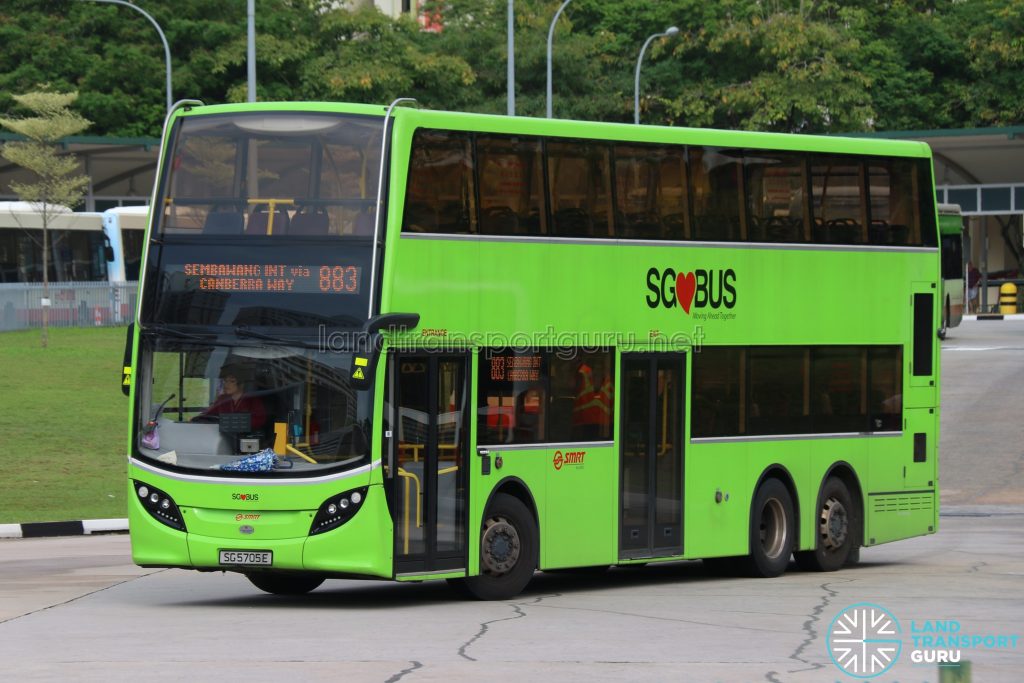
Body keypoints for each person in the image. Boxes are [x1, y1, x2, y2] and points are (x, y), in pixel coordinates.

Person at [196, 368, 266, 429]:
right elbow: (209, 414)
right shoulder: (222, 399)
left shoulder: (252, 399)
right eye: (225, 381)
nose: (226, 384)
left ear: (241, 384)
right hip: (224, 436)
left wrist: (236, 423)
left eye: (232, 381)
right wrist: (197, 419)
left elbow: (260, 419)